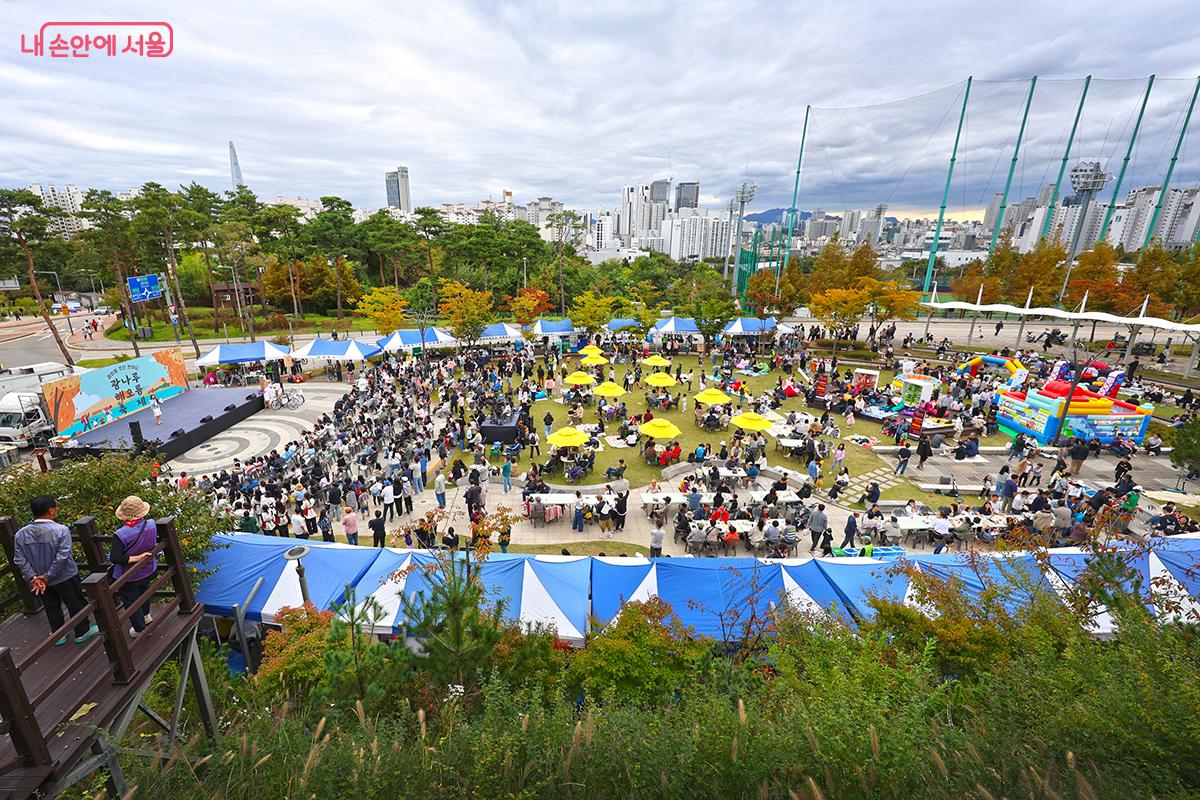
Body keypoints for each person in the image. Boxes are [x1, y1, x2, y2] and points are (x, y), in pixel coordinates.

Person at [13, 495, 99, 645]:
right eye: (56, 506)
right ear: (51, 511)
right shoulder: (61, 530)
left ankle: (58, 634)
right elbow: (62, 557)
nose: (58, 509)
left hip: (40, 582)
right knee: (75, 603)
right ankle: (82, 631)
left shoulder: (20, 534)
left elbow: (19, 559)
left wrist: (35, 578)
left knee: (51, 606)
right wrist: (47, 576)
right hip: (65, 576)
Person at [111, 495, 158, 637]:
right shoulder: (151, 524)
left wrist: (135, 558)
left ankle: (139, 629)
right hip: (149, 568)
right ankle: (146, 615)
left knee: (131, 601)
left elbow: (115, 558)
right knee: (144, 592)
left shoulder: (120, 534)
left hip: (129, 575)